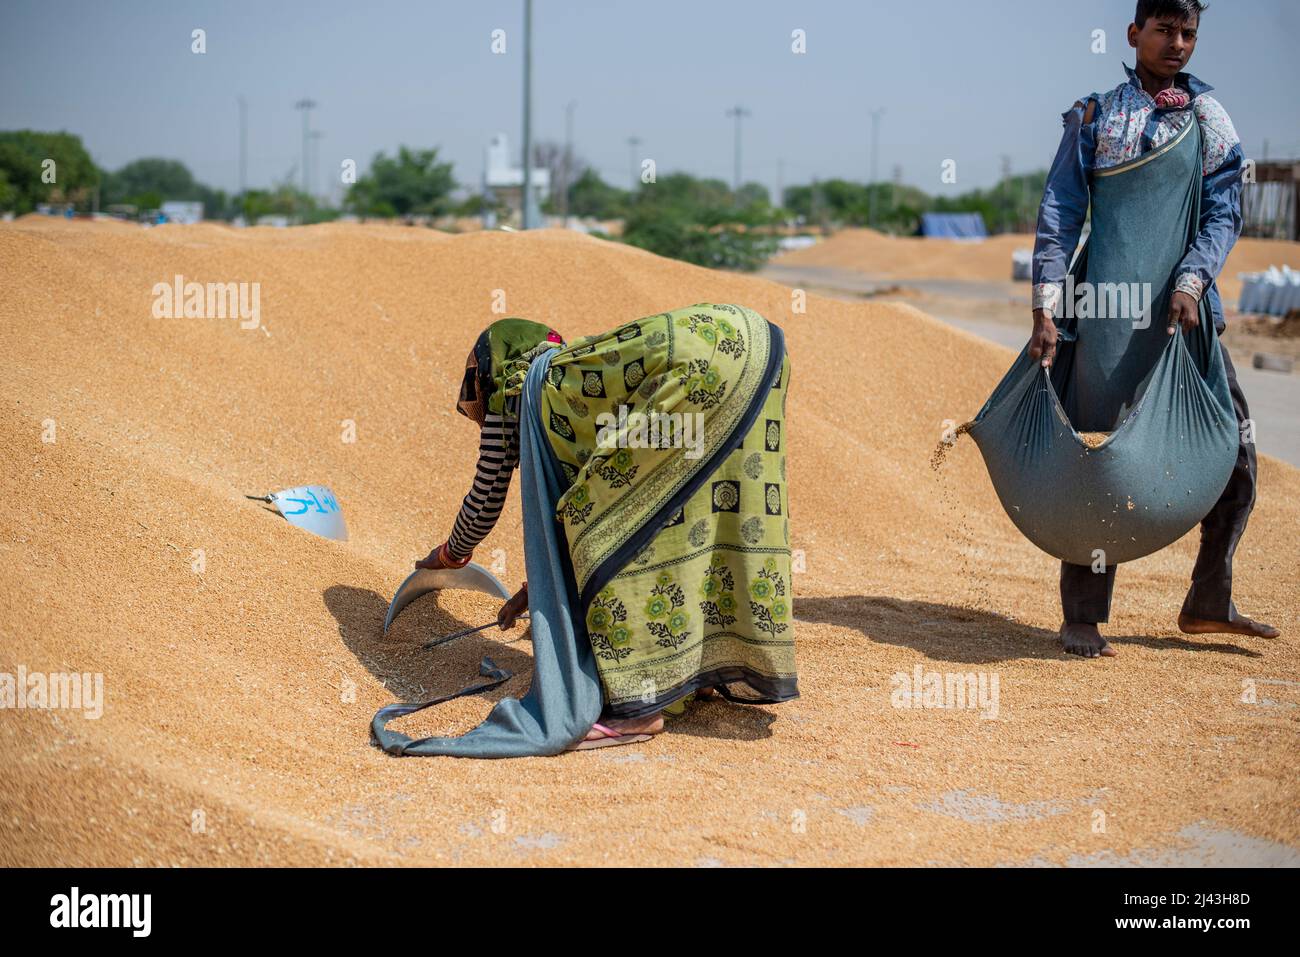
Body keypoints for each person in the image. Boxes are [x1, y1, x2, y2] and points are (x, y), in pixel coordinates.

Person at [416, 305, 798, 748]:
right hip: (758, 344)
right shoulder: (585, 373)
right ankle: (697, 673)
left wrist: (450, 555)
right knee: (691, 512)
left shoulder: (519, 384)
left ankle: (639, 713)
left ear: (490, 367)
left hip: (701, 360)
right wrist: (541, 583)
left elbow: (487, 494)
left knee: (600, 520)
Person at [1029, 0, 1279, 659]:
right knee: (1100, 459)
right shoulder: (1096, 115)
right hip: (1104, 313)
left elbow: (1224, 214)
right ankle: (1082, 615)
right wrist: (1046, 305)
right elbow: (1060, 212)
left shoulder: (1209, 120)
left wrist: (1193, 280)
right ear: (1134, 32)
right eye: (1164, 29)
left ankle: (1207, 598)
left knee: (1236, 448)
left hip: (1184, 317)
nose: (1177, 43)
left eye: (1188, 32)